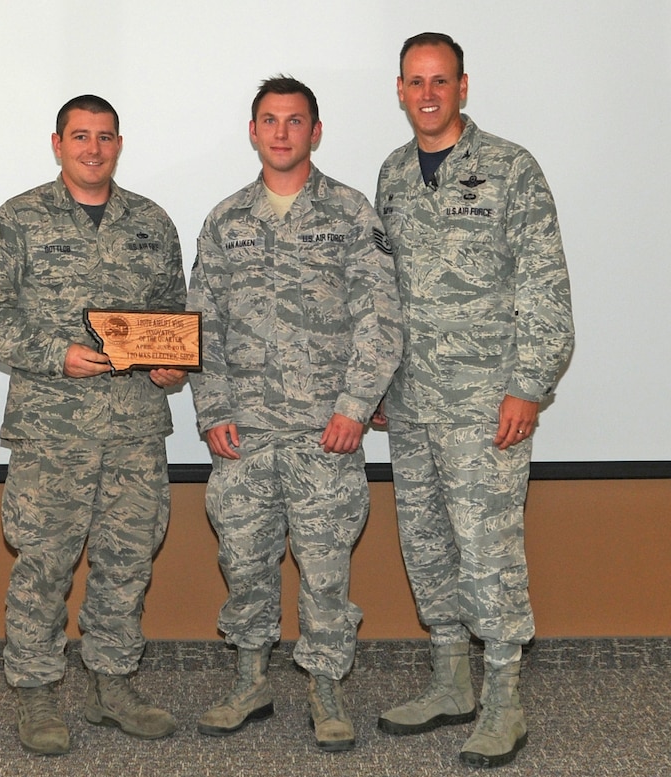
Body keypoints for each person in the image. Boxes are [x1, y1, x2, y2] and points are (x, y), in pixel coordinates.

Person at [0, 95, 185, 755]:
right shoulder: (20, 219)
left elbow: (172, 314)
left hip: (135, 429)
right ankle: (37, 693)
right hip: (51, 430)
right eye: (80, 136)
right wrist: (52, 354)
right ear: (57, 143)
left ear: (120, 143)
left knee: (127, 560)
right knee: (43, 563)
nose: (93, 148)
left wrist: (173, 365)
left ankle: (113, 685)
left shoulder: (151, 222)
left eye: (105, 136)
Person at [373, 33, 574, 769]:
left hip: (488, 403)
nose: (428, 94)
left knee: (489, 555)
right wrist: (381, 383)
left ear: (463, 87)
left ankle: (503, 702)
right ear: (399, 89)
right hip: (413, 404)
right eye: (415, 82)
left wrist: (529, 383)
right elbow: (384, 291)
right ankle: (451, 682)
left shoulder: (511, 168)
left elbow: (546, 285)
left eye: (441, 81)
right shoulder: (393, 175)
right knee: (428, 547)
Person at [188, 76, 403, 751]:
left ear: (315, 132)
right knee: (245, 560)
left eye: (295, 121)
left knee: (325, 567)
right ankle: (250, 678)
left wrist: (354, 406)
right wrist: (212, 408)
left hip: (325, 434)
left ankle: (325, 686)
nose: (282, 132)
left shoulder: (349, 212)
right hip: (244, 433)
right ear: (253, 132)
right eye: (269, 121)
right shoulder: (226, 221)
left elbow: (381, 315)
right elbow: (203, 325)